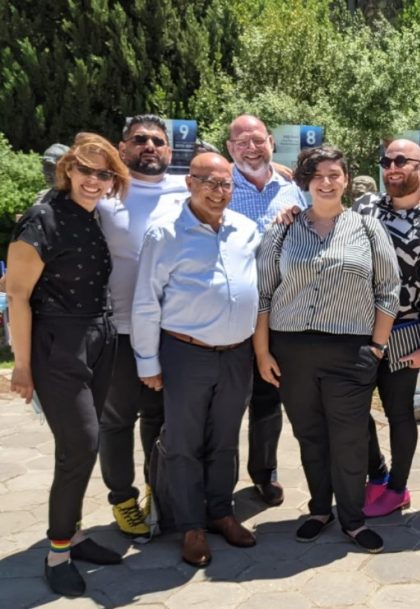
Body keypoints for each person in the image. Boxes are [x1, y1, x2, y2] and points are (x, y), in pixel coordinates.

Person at [255, 146, 400, 551]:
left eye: (334, 174)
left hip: (350, 352)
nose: (326, 182)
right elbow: (263, 293)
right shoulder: (283, 229)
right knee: (310, 435)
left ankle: (352, 519)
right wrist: (263, 353)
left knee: (350, 438)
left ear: (346, 180)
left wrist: (377, 346)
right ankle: (320, 509)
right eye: (317, 175)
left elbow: (389, 290)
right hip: (291, 351)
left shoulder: (368, 228)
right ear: (306, 181)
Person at [7, 133, 128, 596]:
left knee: (81, 446)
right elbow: (17, 296)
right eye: (85, 170)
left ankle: (72, 534)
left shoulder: (92, 216)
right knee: (80, 446)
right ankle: (57, 553)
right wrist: (22, 365)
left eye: (104, 173)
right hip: (59, 343)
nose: (93, 180)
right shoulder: (42, 217)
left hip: (99, 337)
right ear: (68, 170)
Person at [132, 152, 260, 567]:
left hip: (237, 354)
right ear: (189, 183)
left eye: (226, 184)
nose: (218, 191)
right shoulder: (165, 233)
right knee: (184, 444)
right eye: (209, 182)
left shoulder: (245, 229)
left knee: (225, 440)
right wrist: (148, 362)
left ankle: (221, 512)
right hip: (185, 353)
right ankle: (190, 527)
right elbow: (146, 301)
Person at [97, 114, 188, 537]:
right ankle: (123, 499)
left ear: (169, 150)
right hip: (117, 329)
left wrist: (276, 169)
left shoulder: (185, 187)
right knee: (117, 420)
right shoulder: (103, 191)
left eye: (157, 140)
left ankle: (157, 490)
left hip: (169, 329)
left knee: (158, 416)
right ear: (123, 148)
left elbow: (232, 178)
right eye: (140, 140)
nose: (149, 146)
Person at [358, 139, 420, 518]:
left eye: (401, 160)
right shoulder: (365, 206)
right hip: (355, 331)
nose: (392, 167)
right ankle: (377, 473)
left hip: (401, 336)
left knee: (399, 414)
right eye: (387, 161)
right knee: (352, 410)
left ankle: (397, 488)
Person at [225, 113, 306, 507]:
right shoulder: (218, 185)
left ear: (271, 142)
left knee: (267, 400)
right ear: (230, 149)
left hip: (277, 315)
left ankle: (264, 472)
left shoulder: (293, 190)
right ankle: (218, 483)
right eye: (242, 142)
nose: (251, 148)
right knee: (223, 405)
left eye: (258, 140)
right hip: (229, 314)